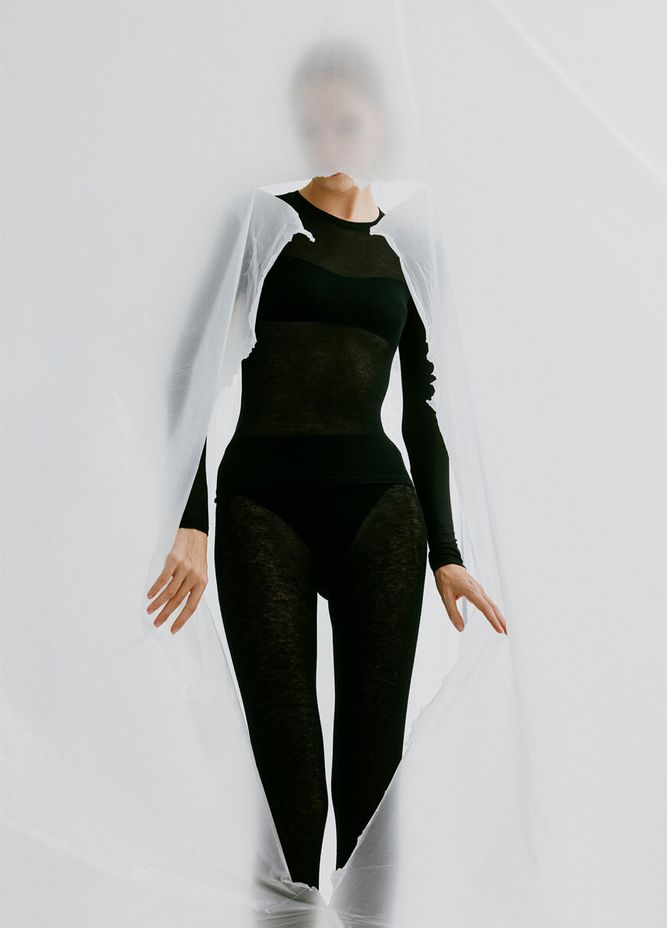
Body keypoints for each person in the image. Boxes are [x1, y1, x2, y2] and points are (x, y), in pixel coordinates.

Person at [146, 42, 506, 895]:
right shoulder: (259, 223)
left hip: (381, 517)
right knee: (291, 803)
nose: (328, 140)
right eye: (310, 126)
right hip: (260, 515)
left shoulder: (412, 252)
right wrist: (191, 519)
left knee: (373, 794)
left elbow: (421, 408)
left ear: (384, 125)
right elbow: (186, 371)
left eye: (345, 122)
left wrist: (447, 551)